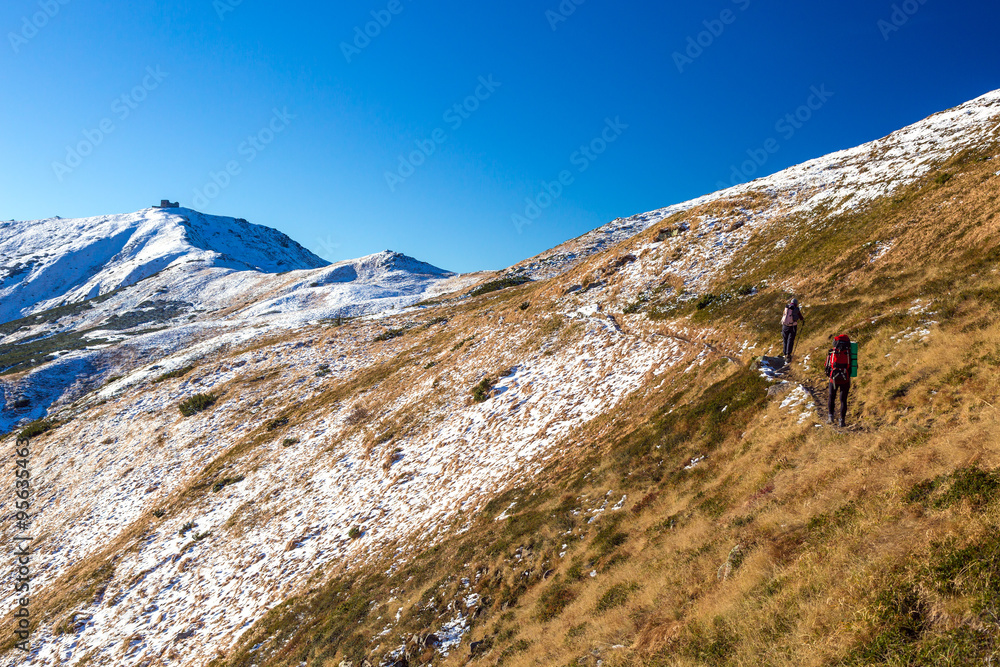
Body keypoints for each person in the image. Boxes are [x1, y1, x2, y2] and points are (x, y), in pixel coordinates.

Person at [825, 334, 852, 427]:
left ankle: (830, 417)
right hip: (845, 379)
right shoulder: (849, 352)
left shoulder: (832, 352)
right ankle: (842, 421)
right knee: (843, 400)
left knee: (831, 397)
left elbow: (827, 365)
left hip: (833, 380)